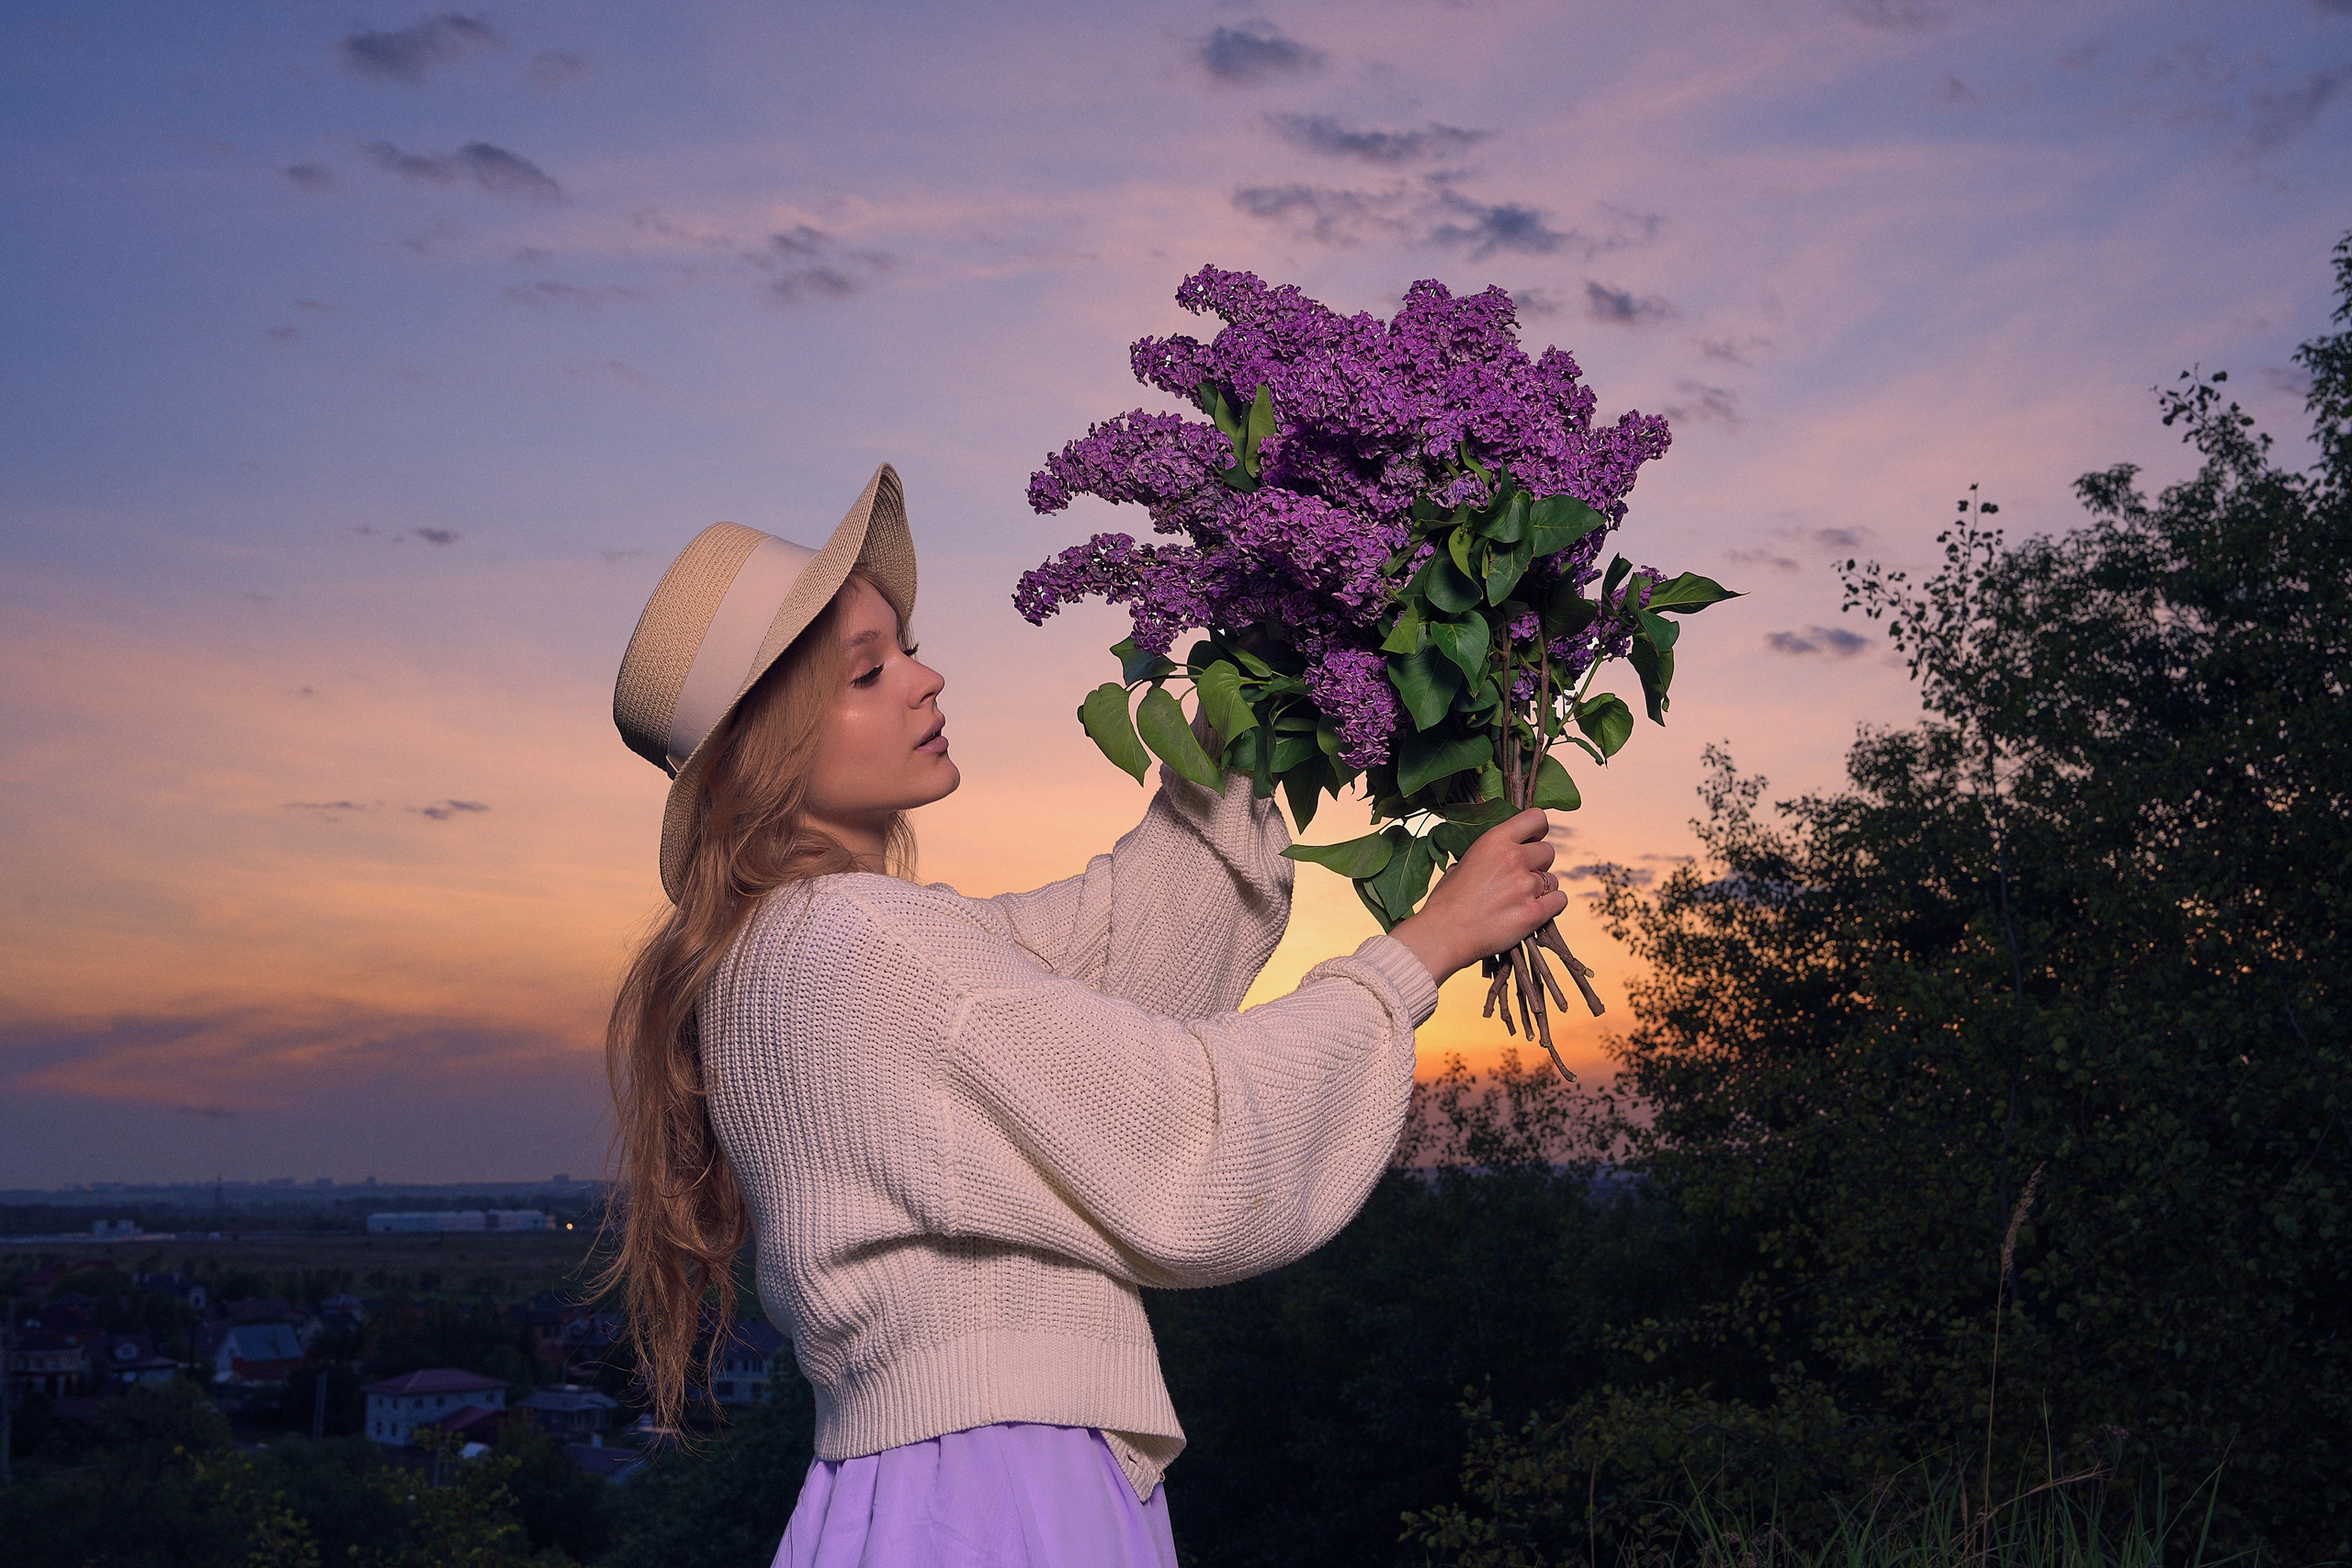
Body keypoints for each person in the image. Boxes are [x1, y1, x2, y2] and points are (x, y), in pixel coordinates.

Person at [603, 465, 1567, 1566]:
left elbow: (1127, 947)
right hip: (1001, 1488)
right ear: (769, 747)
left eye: (904, 645)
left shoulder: (795, 952)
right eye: (868, 672)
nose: (926, 678)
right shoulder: (866, 948)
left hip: (918, 1488)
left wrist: (1252, 689)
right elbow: (1183, 1133)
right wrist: (1422, 949)